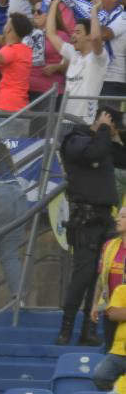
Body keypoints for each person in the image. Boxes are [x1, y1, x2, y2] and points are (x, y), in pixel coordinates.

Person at [60, 108, 126, 345]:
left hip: (104, 219)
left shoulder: (104, 141)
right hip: (85, 220)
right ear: (101, 120)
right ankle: (66, 328)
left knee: (100, 275)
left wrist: (114, 137)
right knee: (83, 274)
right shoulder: (76, 139)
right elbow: (92, 153)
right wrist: (104, 129)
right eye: (111, 125)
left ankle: (89, 329)